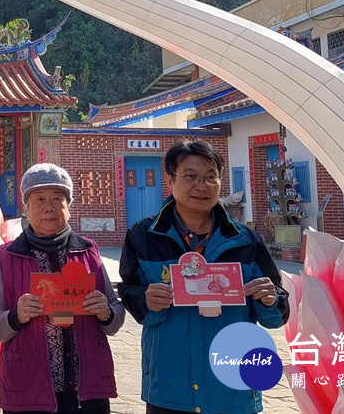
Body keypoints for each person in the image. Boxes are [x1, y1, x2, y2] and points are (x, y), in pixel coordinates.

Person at [117, 140, 289, 414]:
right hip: (170, 387)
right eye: (191, 176)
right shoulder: (143, 236)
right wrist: (145, 300)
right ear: (170, 181)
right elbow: (129, 290)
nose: (202, 185)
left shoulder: (246, 240)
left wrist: (270, 300)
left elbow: (277, 314)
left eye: (210, 177)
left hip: (232, 387)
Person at [0, 163, 125, 414]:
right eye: (39, 199)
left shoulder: (88, 252)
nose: (49, 207)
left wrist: (106, 312)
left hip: (88, 391)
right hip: (28, 391)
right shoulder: (8, 257)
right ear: (26, 208)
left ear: (69, 206)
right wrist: (15, 316)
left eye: (58, 198)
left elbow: (116, 316)